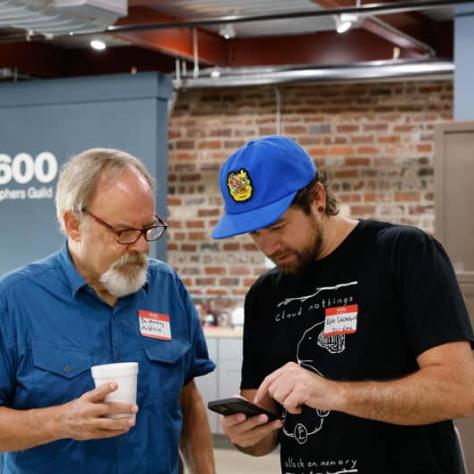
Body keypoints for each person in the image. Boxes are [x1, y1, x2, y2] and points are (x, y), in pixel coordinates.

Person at [211, 135, 474, 474]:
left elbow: (459, 391)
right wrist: (247, 436)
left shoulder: (404, 254)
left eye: (277, 226)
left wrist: (333, 394)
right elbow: (266, 433)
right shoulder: (264, 296)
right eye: (254, 234)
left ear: (317, 199)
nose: (268, 246)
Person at [0, 148, 216, 474]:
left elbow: (188, 401)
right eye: (125, 232)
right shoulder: (15, 300)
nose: (143, 246)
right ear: (74, 224)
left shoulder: (166, 288)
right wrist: (59, 421)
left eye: (149, 228)